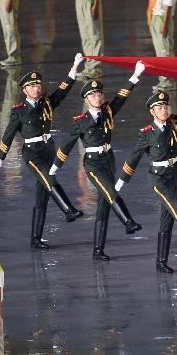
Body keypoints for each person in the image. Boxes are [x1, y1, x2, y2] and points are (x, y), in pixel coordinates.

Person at [115, 75, 177, 274]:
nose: (164, 110)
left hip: (174, 175)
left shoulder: (174, 123)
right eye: (159, 108)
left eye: (165, 106)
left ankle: (161, 262)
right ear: (152, 111)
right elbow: (133, 157)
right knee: (176, 207)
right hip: (158, 178)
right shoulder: (147, 133)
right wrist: (121, 183)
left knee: (167, 219)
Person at [50, 63, 147, 260]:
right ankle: (128, 221)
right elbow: (67, 145)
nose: (98, 97)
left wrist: (136, 74)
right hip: (93, 164)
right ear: (86, 99)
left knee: (104, 206)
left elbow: (122, 96)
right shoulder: (81, 121)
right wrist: (54, 168)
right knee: (112, 192)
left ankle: (98, 250)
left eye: (99, 94)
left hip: (108, 160)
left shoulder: (108, 112)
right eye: (93, 95)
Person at [0, 56, 86, 250]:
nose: (36, 88)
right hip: (32, 153)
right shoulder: (19, 111)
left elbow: (63, 89)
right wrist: (1, 157)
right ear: (25, 90)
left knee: (42, 195)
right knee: (49, 177)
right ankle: (68, 210)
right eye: (32, 86)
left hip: (48, 150)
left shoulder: (47, 103)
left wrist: (75, 66)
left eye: (38, 85)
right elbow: (8, 134)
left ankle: (36, 239)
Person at [147, 0, 177, 93]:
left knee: (164, 51)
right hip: (155, 18)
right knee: (160, 51)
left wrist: (164, 25)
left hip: (162, 19)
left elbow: (168, 8)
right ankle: (163, 80)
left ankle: (168, 81)